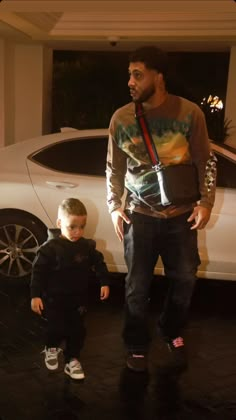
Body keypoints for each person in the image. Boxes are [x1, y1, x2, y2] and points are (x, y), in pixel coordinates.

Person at [106, 46, 216, 372]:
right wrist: (114, 206)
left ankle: (170, 330)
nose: (130, 81)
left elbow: (205, 161)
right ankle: (137, 344)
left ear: (159, 77)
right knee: (136, 287)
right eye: (129, 75)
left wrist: (206, 202)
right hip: (139, 214)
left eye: (137, 75)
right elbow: (113, 168)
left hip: (180, 216)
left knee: (184, 280)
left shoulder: (188, 114)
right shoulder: (121, 118)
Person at [30, 197, 110, 379]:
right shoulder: (49, 249)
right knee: (55, 328)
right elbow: (38, 272)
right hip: (53, 300)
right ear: (59, 223)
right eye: (72, 226)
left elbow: (99, 262)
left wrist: (104, 281)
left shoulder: (86, 246)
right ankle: (51, 347)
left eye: (82, 227)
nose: (77, 232)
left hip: (78, 300)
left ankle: (72, 359)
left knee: (78, 330)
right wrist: (35, 295)